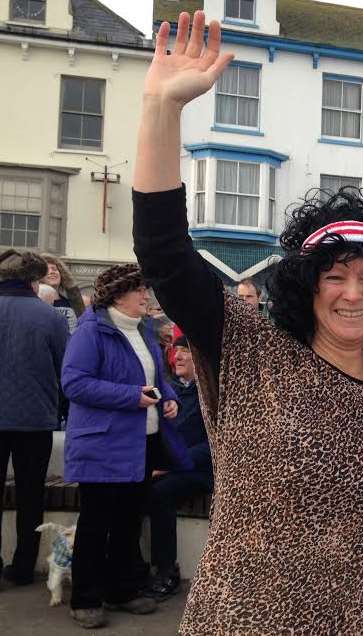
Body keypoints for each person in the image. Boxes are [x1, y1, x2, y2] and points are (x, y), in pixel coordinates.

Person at [132, 12, 363, 634]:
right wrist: (161, 110)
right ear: (307, 286)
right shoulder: (249, 348)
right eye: (334, 276)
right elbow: (164, 252)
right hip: (243, 619)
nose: (353, 294)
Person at [62, 263, 192, 629]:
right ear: (119, 294)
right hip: (103, 444)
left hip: (142, 442)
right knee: (95, 523)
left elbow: (156, 378)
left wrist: (169, 399)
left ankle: (123, 590)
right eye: (140, 291)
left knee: (128, 521)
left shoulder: (144, 331)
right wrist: (129, 397)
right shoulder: (91, 331)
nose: (146, 296)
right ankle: (86, 598)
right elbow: (74, 383)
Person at [0, 250, 68, 586]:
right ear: (34, 280)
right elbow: (65, 369)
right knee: (30, 495)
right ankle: (23, 567)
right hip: (35, 419)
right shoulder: (50, 317)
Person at [144, 335, 213, 601]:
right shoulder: (169, 390)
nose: (179, 356)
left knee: (161, 493)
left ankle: (166, 571)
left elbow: (211, 445)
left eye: (187, 351)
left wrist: (171, 464)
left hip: (198, 470)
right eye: (177, 351)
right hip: (169, 466)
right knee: (131, 487)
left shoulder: (210, 393)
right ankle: (133, 566)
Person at [40, 254, 86, 320]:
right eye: (46, 270)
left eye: (54, 269)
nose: (52, 272)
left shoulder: (71, 304)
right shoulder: (36, 302)